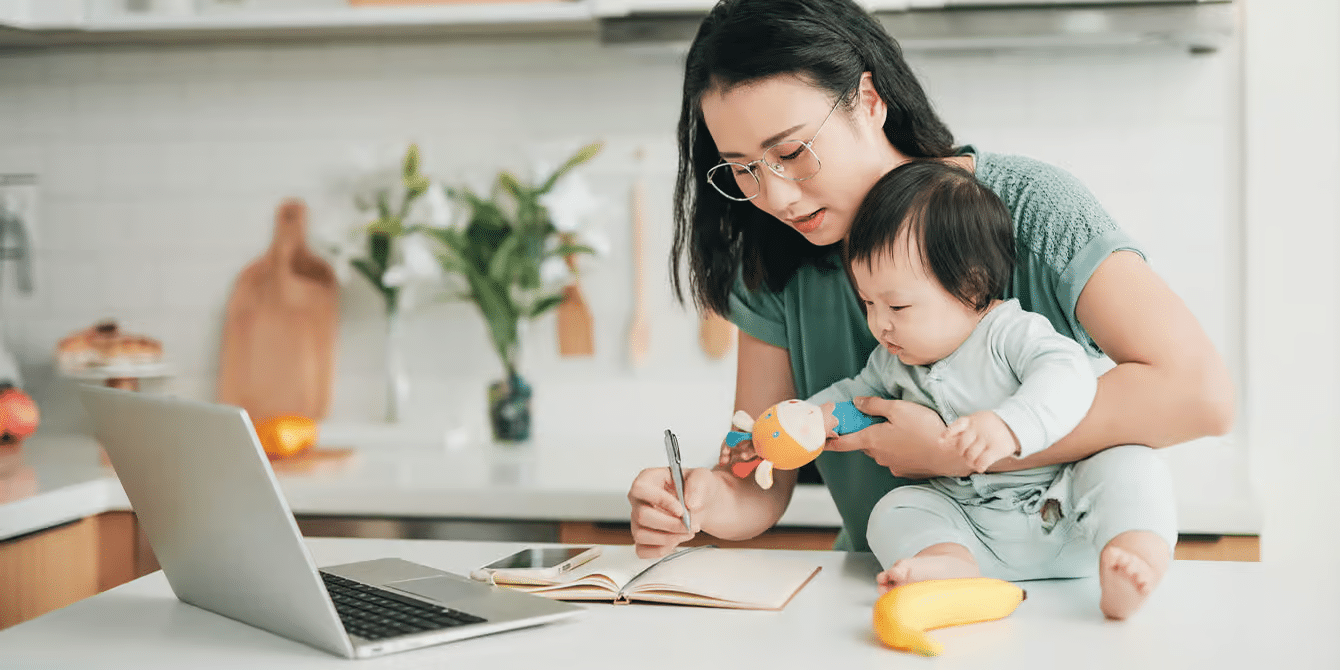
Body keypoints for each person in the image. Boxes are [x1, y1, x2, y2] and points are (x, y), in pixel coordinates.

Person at [626, 0, 1232, 606]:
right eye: (743, 170)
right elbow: (764, 474)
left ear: (868, 101)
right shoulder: (774, 261)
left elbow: (1198, 394)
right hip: (902, 587)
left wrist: (952, 451)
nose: (777, 196)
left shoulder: (1029, 207)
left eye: (791, 153)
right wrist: (700, 499)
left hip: (1066, 597)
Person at [794, 159, 1175, 619]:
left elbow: (1068, 372)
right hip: (977, 528)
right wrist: (803, 421)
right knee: (894, 508)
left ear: (971, 285)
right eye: (869, 303)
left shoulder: (1008, 331)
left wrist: (1009, 426)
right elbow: (850, 398)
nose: (879, 323)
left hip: (1069, 512)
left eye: (896, 304)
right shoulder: (890, 362)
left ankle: (1131, 558)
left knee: (1131, 465)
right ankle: (950, 567)